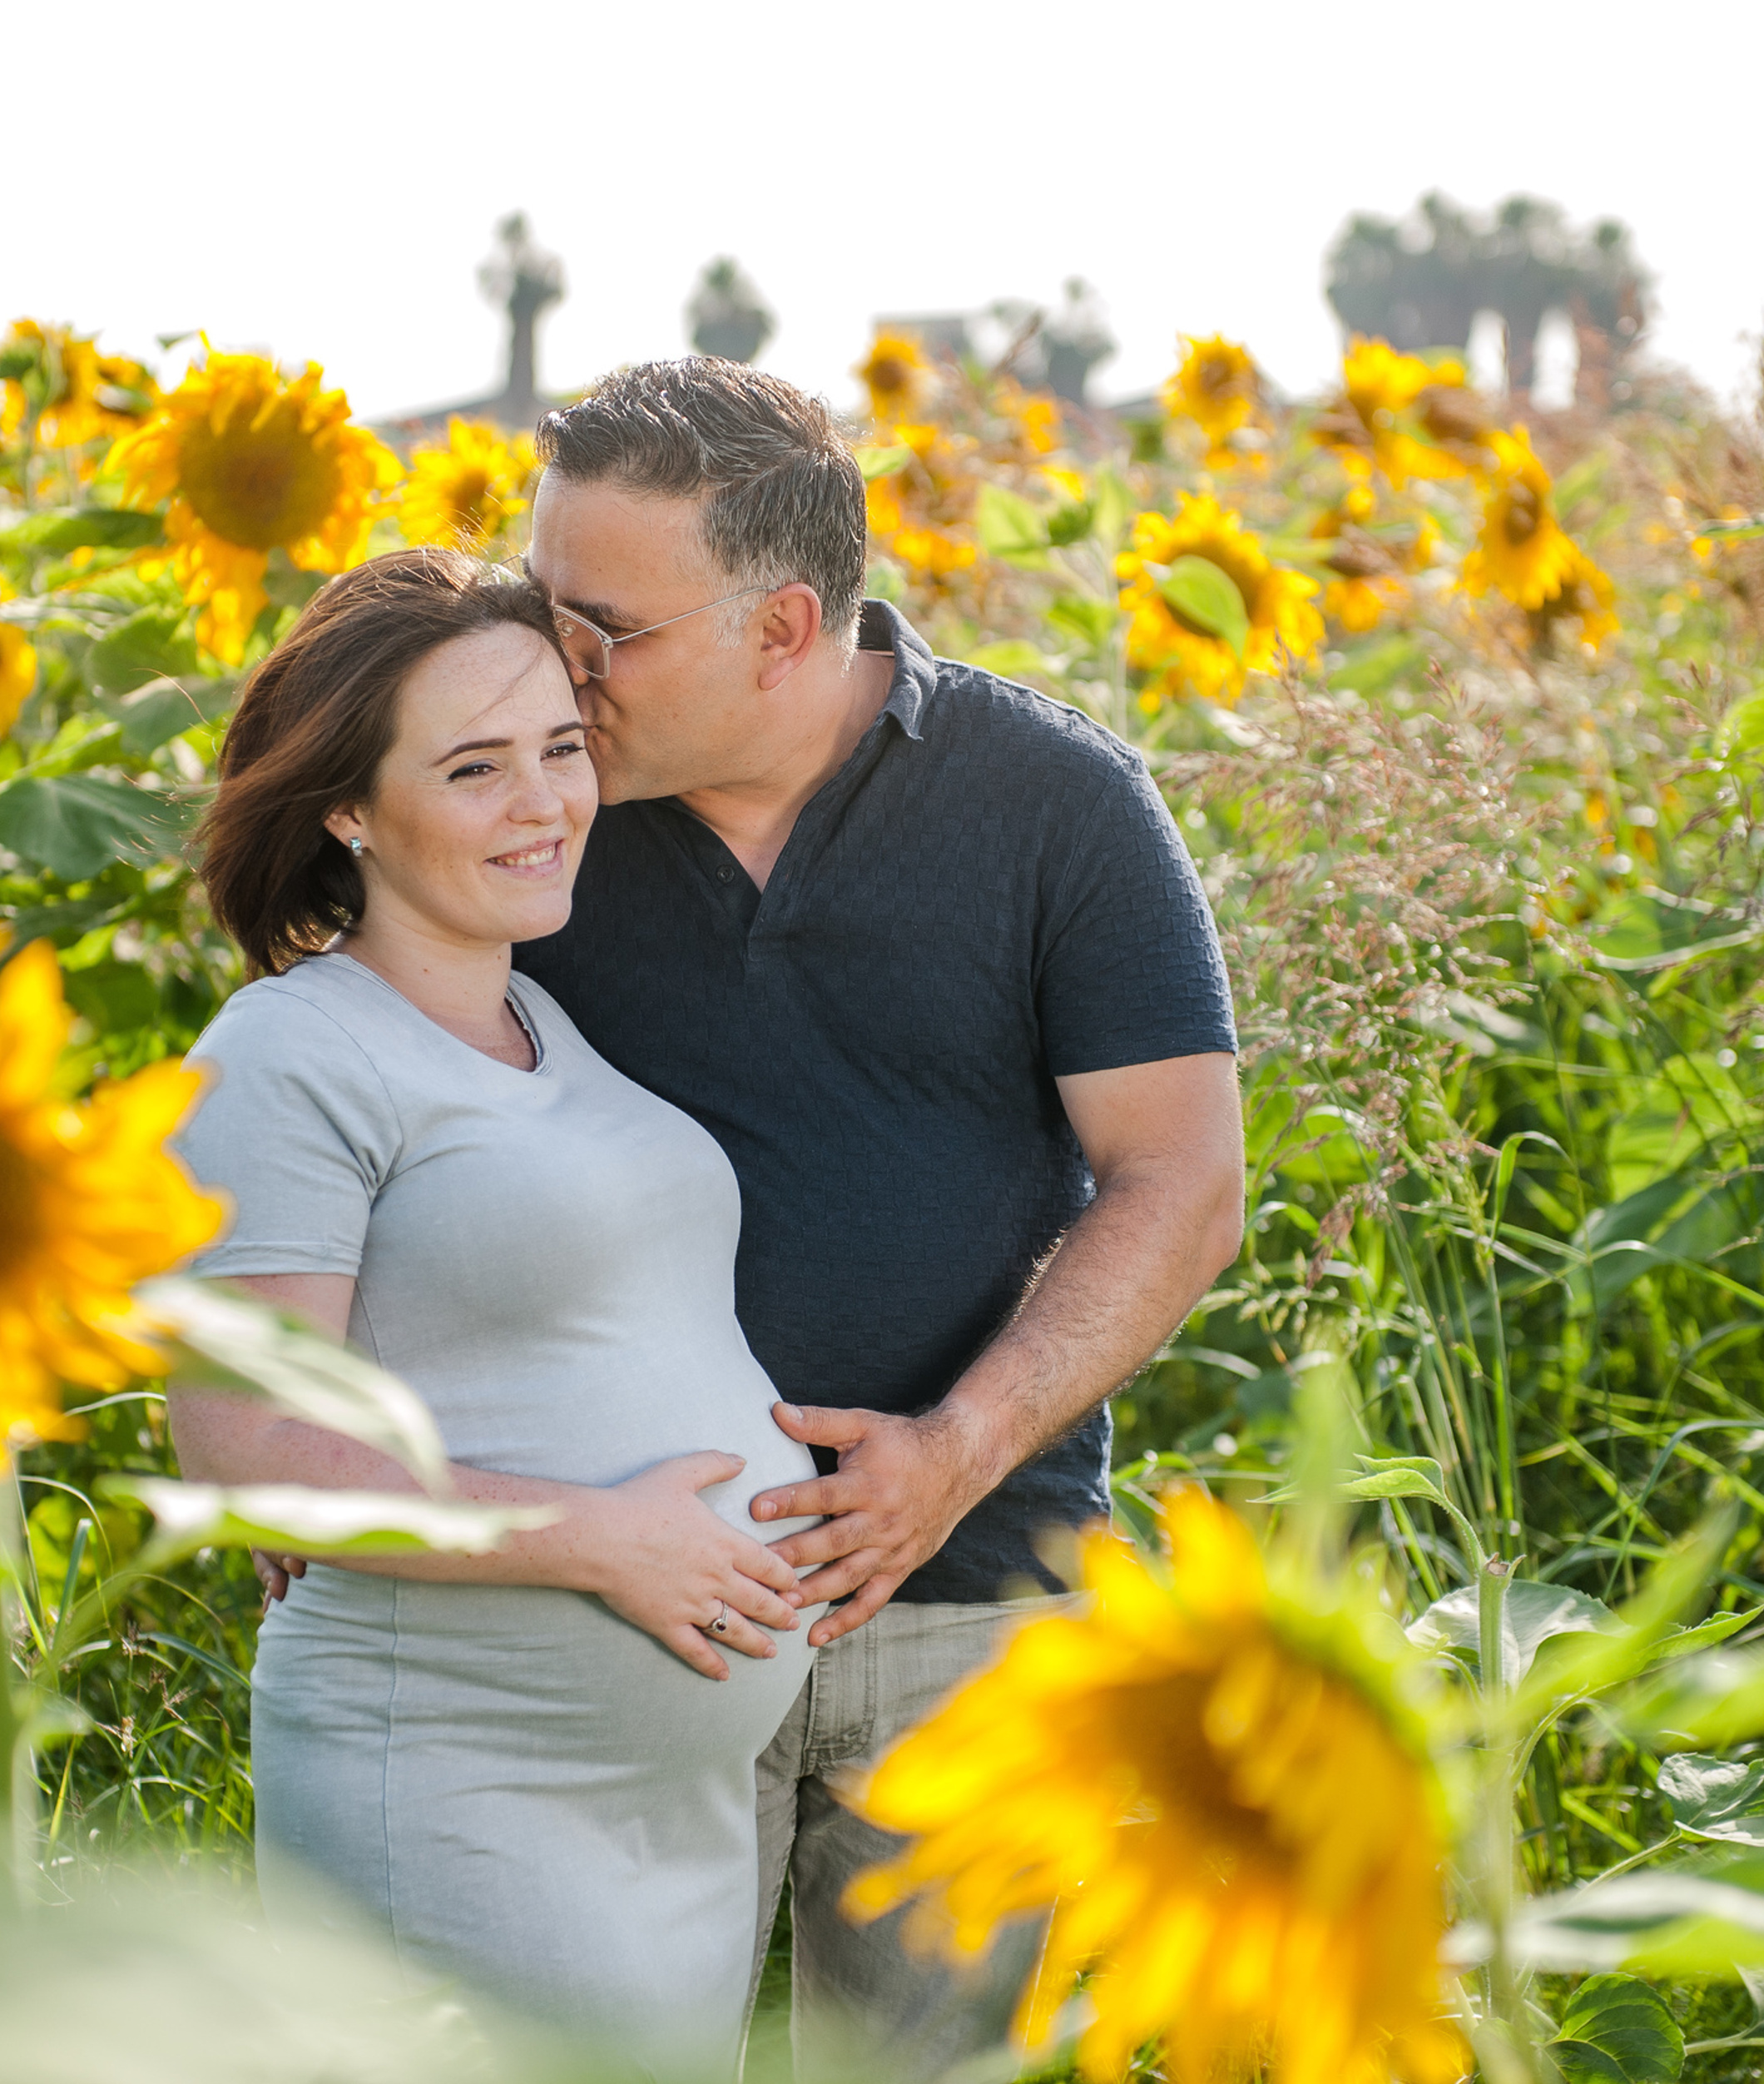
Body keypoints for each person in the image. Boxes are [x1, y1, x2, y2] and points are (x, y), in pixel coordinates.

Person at [513, 360, 1246, 2072]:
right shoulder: (523, 807)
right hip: (626, 1600)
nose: (561, 665)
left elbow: (1181, 1180)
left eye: (605, 625)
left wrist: (954, 1445)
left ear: (781, 630)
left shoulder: (1052, 804)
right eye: (540, 605)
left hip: (972, 1610)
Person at [166, 549, 820, 2077]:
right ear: (346, 806)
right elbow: (243, 1452)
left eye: (563, 749)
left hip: (666, 1819)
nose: (545, 803)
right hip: (464, 1784)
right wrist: (604, 1539)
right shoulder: (287, 1056)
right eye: (475, 767)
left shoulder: (542, 1017)